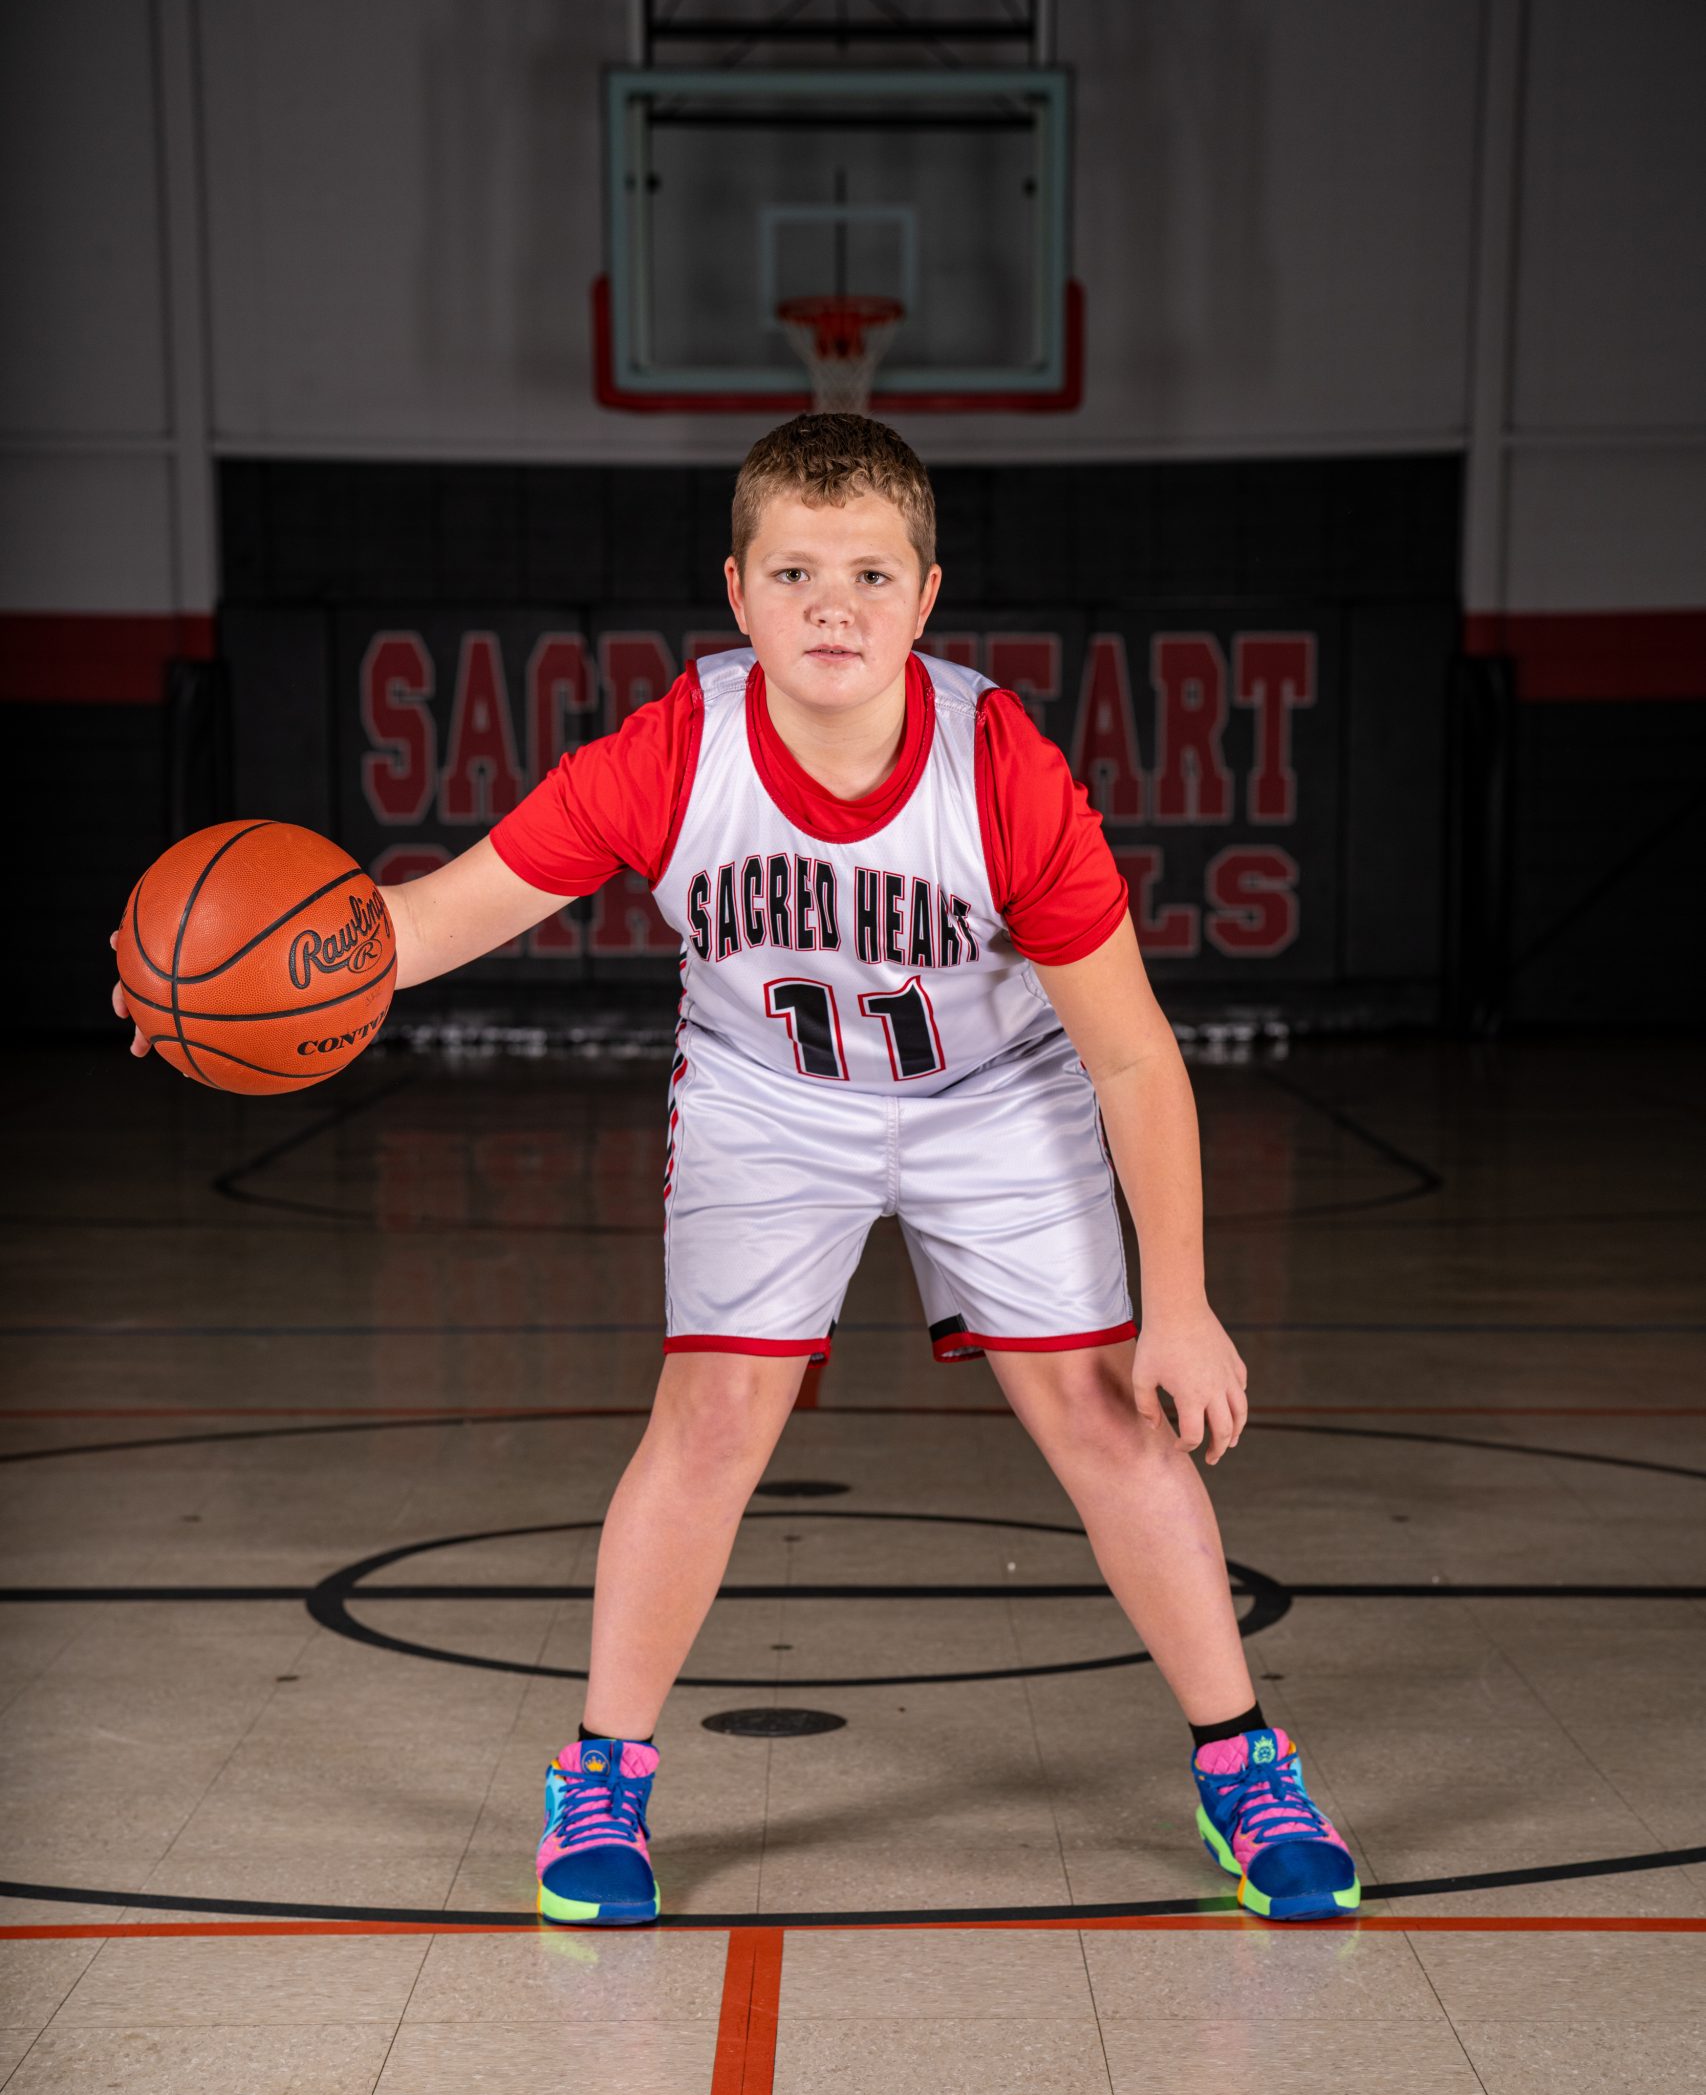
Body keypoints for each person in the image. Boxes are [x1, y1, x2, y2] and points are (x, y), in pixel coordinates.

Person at [116, 414, 1358, 1928]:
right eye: (794, 573)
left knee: (1106, 1418)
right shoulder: (671, 753)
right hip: (772, 1101)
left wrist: (1186, 1303)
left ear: (926, 596)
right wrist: (212, 989)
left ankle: (1243, 1765)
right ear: (737, 591)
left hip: (996, 1100)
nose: (833, 606)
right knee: (706, 1423)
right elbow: (432, 919)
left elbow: (1135, 1060)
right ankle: (601, 1781)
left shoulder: (1003, 775)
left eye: (870, 575)